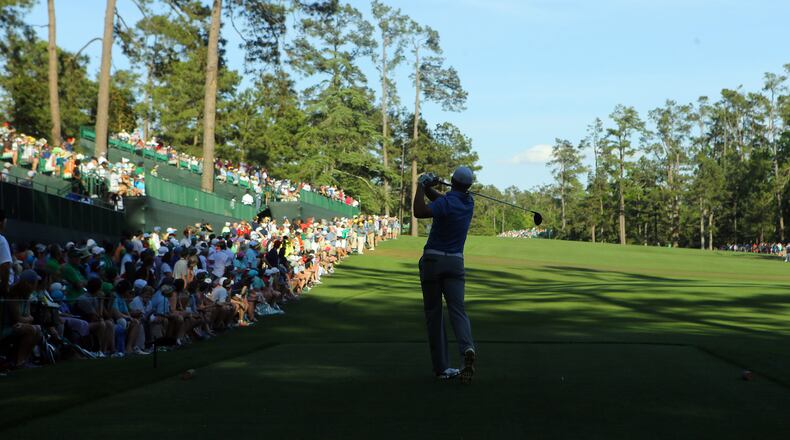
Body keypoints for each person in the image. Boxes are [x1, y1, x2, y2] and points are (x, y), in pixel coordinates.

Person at [412, 166, 477, 383]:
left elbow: (419, 212)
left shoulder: (447, 202)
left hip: (433, 260)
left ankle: (441, 368)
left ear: (452, 180)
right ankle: (467, 348)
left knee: (434, 314)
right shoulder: (468, 203)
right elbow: (441, 201)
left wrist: (421, 186)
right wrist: (431, 187)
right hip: (455, 262)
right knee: (458, 310)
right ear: (468, 186)